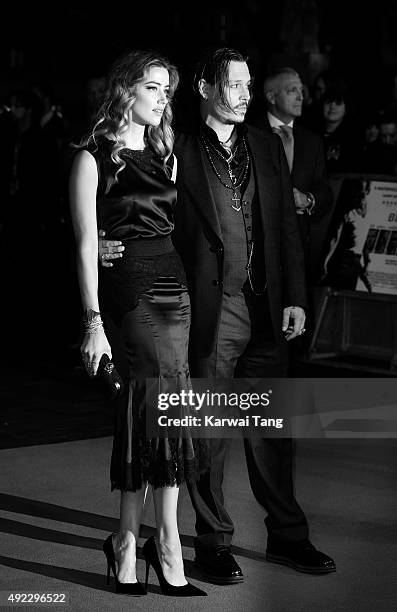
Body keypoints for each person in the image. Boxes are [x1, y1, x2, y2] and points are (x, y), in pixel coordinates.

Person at [99, 47, 336, 583]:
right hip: (207, 309)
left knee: (273, 429)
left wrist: (296, 295)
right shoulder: (173, 146)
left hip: (267, 307)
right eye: (234, 84)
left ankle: (288, 538)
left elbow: (284, 228)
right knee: (207, 434)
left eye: (249, 85)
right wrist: (98, 245)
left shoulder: (266, 145)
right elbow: (130, 206)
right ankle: (213, 543)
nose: (245, 94)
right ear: (205, 88)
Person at [69, 49, 206, 598]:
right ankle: (153, 542)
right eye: (153, 88)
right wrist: (92, 320)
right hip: (128, 290)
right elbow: (84, 244)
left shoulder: (164, 149)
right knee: (151, 403)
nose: (162, 99)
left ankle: (143, 540)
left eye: (168, 91)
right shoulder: (90, 156)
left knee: (166, 405)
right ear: (126, 89)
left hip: (174, 284)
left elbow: (173, 222)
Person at [249, 66, 333, 285]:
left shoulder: (312, 141)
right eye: (291, 90)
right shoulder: (248, 133)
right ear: (271, 96)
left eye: (301, 90)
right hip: (257, 243)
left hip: (301, 249)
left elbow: (324, 190)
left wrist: (308, 199)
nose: (300, 96)